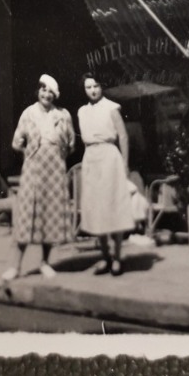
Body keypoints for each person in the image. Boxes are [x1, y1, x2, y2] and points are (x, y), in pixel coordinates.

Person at [1, 73, 75, 283]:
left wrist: (57, 155)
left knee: (50, 215)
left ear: (55, 95)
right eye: (43, 90)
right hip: (33, 169)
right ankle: (15, 266)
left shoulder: (63, 115)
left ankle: (45, 263)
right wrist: (29, 153)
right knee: (26, 216)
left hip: (54, 170)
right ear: (38, 91)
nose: (46, 94)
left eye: (51, 91)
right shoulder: (28, 113)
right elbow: (16, 142)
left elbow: (71, 144)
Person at [77, 72, 136, 276]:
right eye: (88, 87)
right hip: (91, 158)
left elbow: (123, 136)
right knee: (96, 210)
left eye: (96, 86)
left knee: (113, 207)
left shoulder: (111, 108)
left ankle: (118, 257)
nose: (93, 90)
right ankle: (105, 257)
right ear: (84, 90)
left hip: (110, 158)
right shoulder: (82, 112)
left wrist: (126, 164)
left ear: (101, 87)